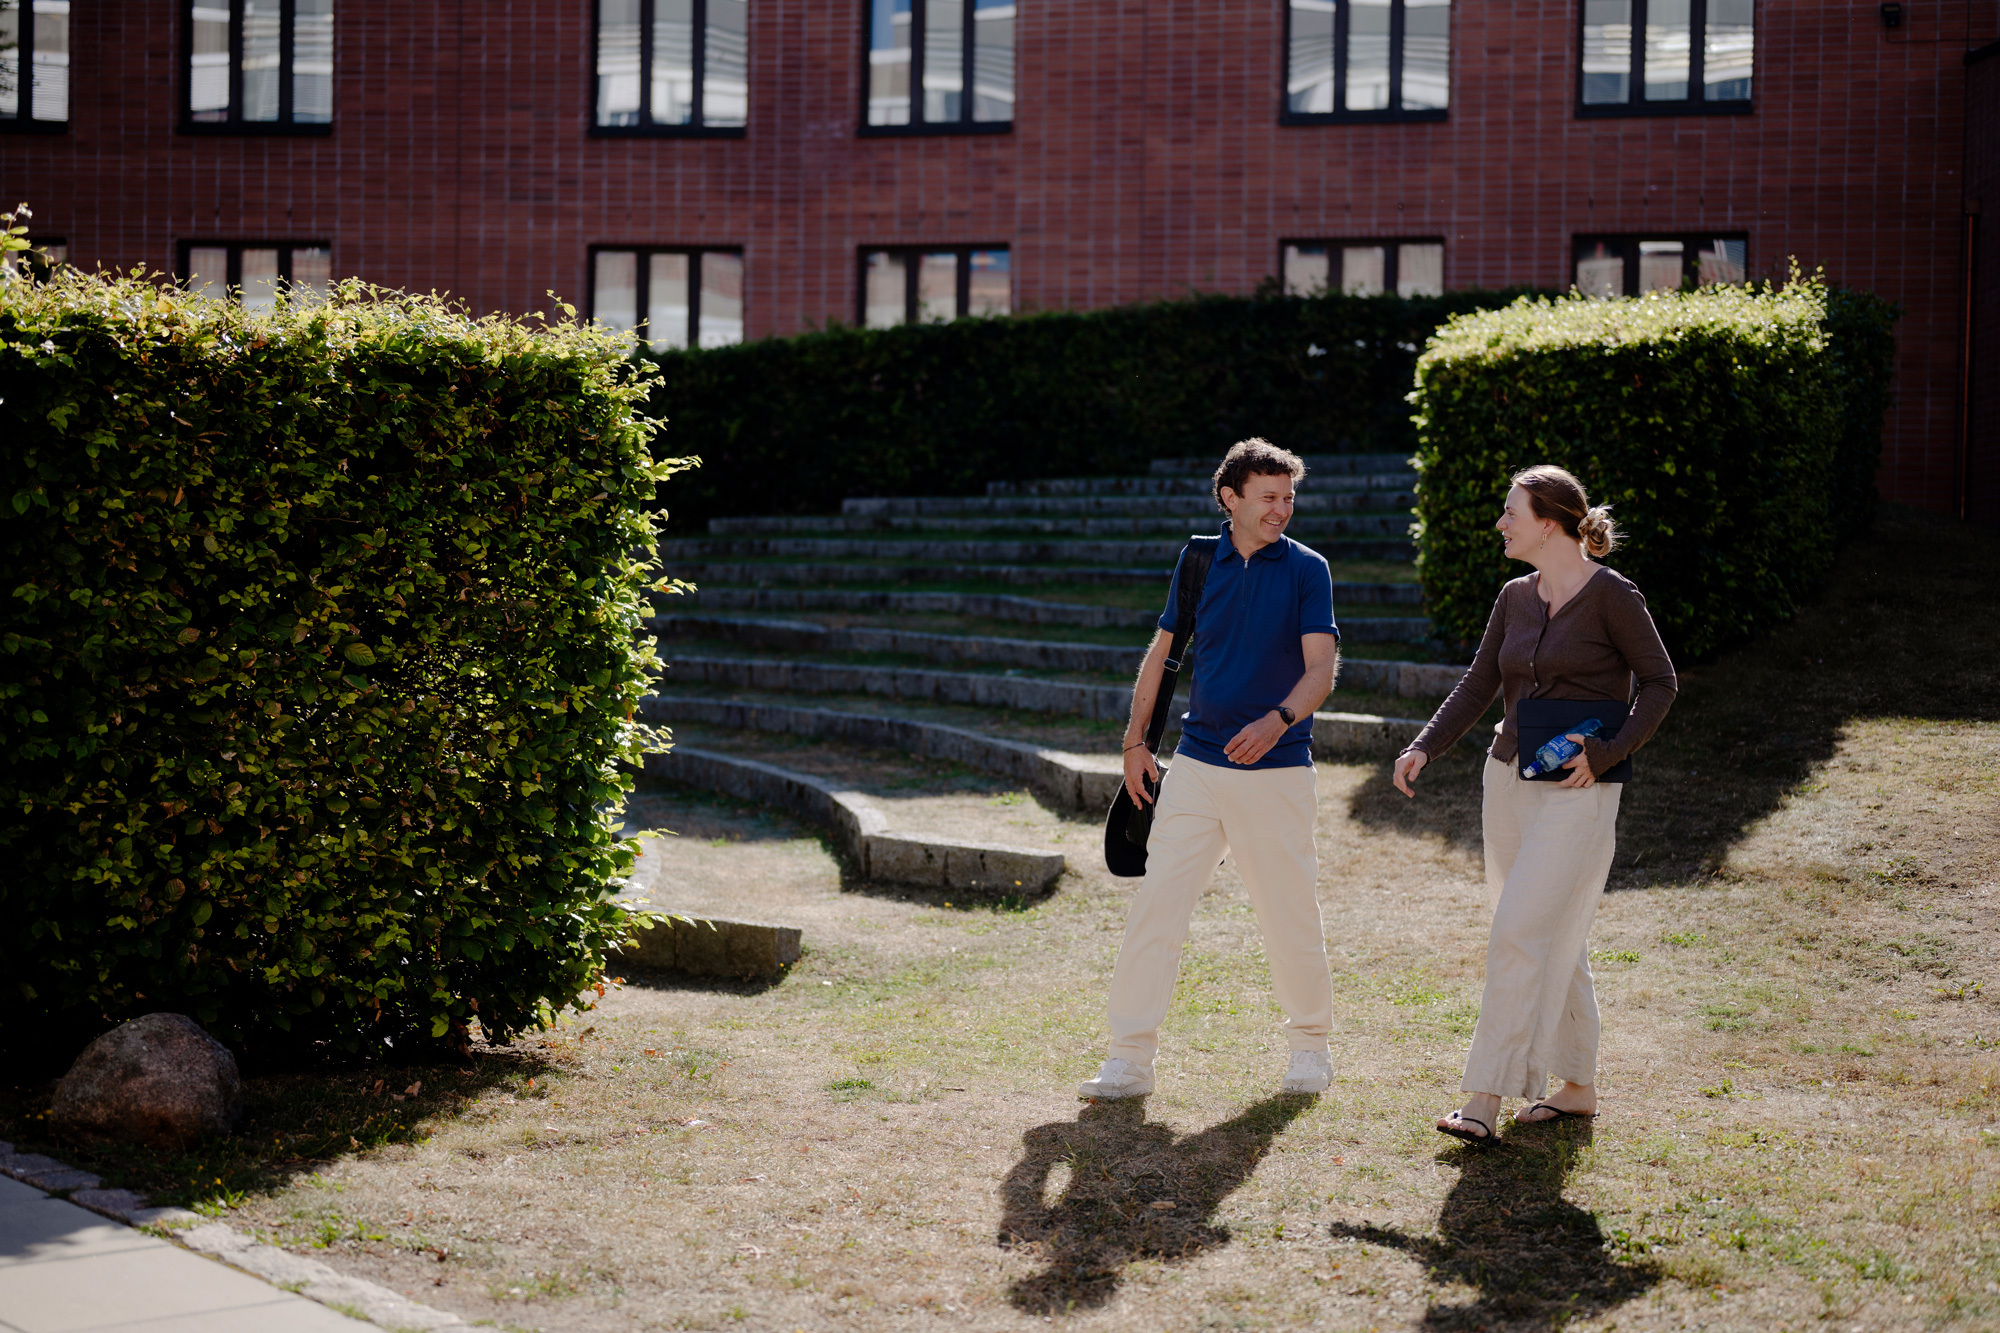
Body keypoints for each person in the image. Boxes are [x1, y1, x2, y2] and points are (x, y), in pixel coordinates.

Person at [1392, 465, 1676, 1141]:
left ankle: (1484, 1098)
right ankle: (1578, 1085)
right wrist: (1424, 745)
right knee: (1546, 931)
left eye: (1510, 511)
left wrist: (1607, 752)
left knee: (1519, 932)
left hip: (1580, 792)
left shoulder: (1614, 596)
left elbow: (1660, 684)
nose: (1501, 522)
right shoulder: (1515, 596)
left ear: (1548, 522)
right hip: (1507, 782)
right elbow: (1480, 681)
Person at [1077, 439, 1342, 1100]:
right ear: (1232, 497)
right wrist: (1135, 741)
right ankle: (1129, 1057)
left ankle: (1310, 1047)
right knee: (1156, 905)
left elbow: (1322, 670)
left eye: (1288, 496)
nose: (1282, 508)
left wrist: (1278, 719)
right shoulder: (1198, 558)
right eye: (1269, 497)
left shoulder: (1309, 569)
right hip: (1195, 764)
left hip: (1278, 769)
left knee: (1288, 914)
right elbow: (1163, 649)